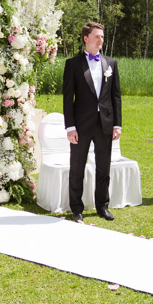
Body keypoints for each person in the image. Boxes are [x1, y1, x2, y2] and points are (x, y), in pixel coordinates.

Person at [62, 21, 122, 222]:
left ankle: (102, 206)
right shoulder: (72, 64)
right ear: (86, 38)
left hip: (104, 123)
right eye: (97, 36)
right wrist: (70, 127)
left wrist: (117, 124)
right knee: (77, 166)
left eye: (102, 37)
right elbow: (67, 98)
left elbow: (116, 96)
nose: (101, 40)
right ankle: (76, 209)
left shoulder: (110, 63)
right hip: (81, 125)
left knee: (103, 167)